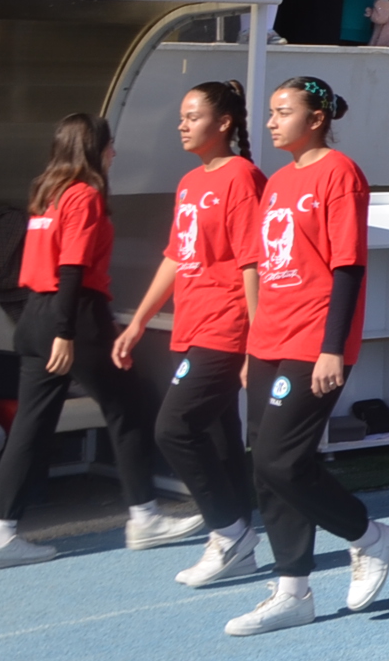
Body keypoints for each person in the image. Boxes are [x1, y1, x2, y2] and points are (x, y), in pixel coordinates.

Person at [223, 78, 389, 634]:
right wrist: (253, 344)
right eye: (270, 112)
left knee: (279, 459)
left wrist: (332, 349)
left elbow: (348, 266)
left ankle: (368, 536)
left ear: (317, 118)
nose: (271, 122)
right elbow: (265, 266)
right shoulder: (278, 181)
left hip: (313, 340)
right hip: (269, 340)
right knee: (268, 465)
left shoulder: (340, 173)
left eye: (284, 112)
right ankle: (292, 590)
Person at [0, 114, 200, 569]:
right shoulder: (84, 194)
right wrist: (66, 333)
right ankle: (144, 516)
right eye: (109, 145)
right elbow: (72, 268)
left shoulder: (45, 193)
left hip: (34, 315)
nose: (114, 153)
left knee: (29, 426)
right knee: (130, 408)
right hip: (75, 316)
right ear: (93, 148)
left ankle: (1, 534)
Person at [107, 82, 270, 582]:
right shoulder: (191, 182)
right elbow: (176, 256)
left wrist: (256, 340)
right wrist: (138, 320)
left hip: (226, 325)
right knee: (220, 437)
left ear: (223, 123)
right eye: (181, 116)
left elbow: (253, 263)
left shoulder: (242, 177)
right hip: (193, 325)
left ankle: (230, 534)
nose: (181, 125)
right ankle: (238, 537)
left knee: (173, 429)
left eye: (192, 116)